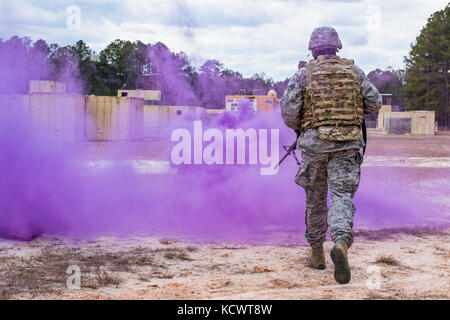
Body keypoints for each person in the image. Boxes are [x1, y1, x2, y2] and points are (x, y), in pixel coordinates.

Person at [280, 26, 381, 284]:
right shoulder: (354, 72)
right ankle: (340, 243)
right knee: (341, 196)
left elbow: (289, 111)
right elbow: (374, 102)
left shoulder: (303, 74)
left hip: (315, 144)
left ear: (313, 49)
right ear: (337, 47)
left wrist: (303, 126)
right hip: (347, 144)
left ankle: (316, 254)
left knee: (315, 199)